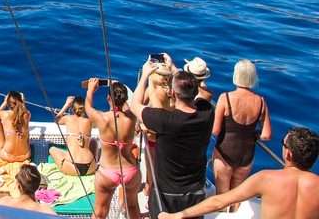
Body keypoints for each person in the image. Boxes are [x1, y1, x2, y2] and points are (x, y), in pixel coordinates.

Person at [158, 127, 319, 219]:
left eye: (283, 143)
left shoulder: (266, 179)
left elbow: (219, 202)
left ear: (288, 154)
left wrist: (179, 215)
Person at [131, 61, 214, 219]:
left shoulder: (165, 120)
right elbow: (203, 96)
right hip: (196, 193)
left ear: (174, 94)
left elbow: (135, 105)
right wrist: (176, 69)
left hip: (165, 194)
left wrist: (145, 76)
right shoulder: (207, 113)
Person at [212, 59, 271, 212]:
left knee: (222, 197)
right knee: (237, 196)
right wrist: (252, 133)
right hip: (247, 155)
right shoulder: (261, 102)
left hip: (225, 152)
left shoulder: (225, 98)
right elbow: (266, 135)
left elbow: (215, 131)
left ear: (236, 75)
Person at [85, 79, 141, 219]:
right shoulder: (131, 117)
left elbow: (88, 108)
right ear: (125, 99)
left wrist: (90, 91)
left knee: (100, 211)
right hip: (130, 171)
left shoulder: (102, 118)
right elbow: (127, 108)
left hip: (107, 172)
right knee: (132, 205)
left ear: (108, 98)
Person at [141, 62, 174, 196]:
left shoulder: (153, 95)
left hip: (154, 139)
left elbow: (159, 121)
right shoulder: (173, 93)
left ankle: (149, 192)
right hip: (169, 139)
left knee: (151, 170)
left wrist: (143, 126)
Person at [49, 96, 97, 176]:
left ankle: (68, 155)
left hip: (71, 166)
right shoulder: (89, 121)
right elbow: (96, 125)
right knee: (93, 142)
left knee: (52, 149)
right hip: (90, 166)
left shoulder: (67, 118)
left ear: (72, 108)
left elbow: (56, 120)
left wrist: (66, 105)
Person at [0, 90, 31, 162]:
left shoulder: (4, 114)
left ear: (9, 103)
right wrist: (22, 102)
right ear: (20, 102)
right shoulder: (27, 114)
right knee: (26, 129)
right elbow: (22, 111)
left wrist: (4, 103)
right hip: (25, 156)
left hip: (7, 156)